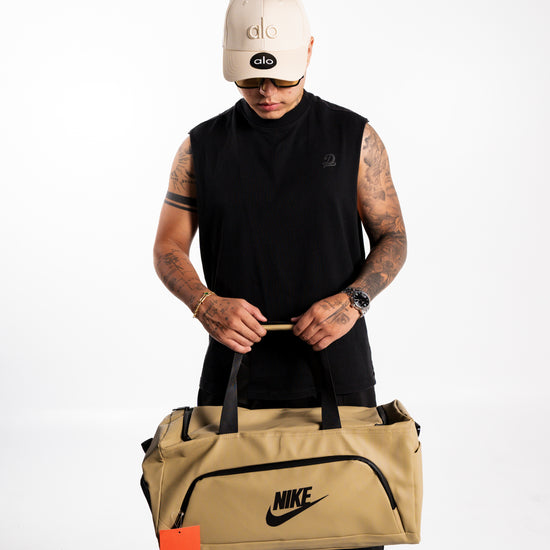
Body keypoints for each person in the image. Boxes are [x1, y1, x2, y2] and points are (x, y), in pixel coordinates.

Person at [154, 2, 406, 547]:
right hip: (234, 375)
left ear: (308, 53)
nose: (266, 91)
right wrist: (204, 304)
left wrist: (354, 300)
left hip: (338, 369)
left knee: (352, 533)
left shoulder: (354, 137)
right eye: (250, 78)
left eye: (281, 77)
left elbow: (393, 237)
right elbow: (169, 247)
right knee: (214, 534)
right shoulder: (201, 146)